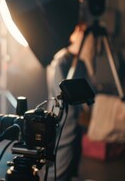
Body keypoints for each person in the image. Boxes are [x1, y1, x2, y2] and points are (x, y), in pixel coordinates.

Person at [44, 21, 94, 181]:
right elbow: (60, 94)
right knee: (60, 160)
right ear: (76, 35)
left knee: (71, 159)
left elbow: (87, 90)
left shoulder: (79, 62)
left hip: (73, 122)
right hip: (63, 119)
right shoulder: (61, 60)